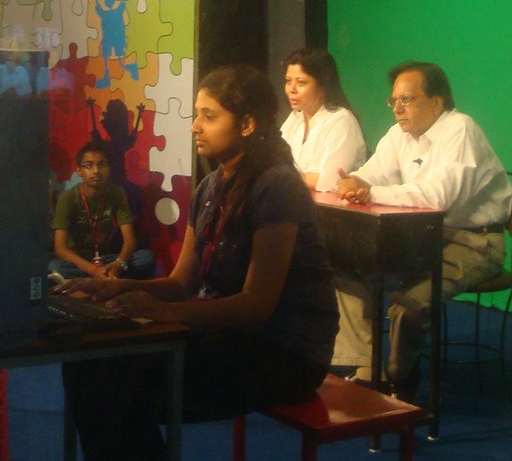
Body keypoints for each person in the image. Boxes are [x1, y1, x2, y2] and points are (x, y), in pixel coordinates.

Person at [58, 64, 337, 459]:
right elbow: (180, 283)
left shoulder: (277, 185)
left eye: (209, 116)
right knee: (87, 364)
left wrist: (164, 312)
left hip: (284, 353)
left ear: (247, 124)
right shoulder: (210, 187)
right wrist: (114, 285)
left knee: (119, 381)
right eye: (196, 115)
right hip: (229, 335)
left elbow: (257, 305)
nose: (195, 126)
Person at [332, 61, 512, 397]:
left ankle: (400, 385)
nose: (397, 108)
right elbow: (370, 174)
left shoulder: (460, 130)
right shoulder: (398, 134)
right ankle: (369, 368)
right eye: (394, 100)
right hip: (423, 238)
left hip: (475, 242)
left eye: (407, 99)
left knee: (408, 304)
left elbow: (438, 198)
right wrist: (354, 181)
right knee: (345, 269)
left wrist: (371, 192)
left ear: (437, 101)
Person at [51, 143, 155, 280]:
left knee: (146, 257)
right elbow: (60, 248)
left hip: (104, 258)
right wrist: (93, 270)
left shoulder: (116, 193)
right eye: (89, 166)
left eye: (101, 165)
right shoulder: (68, 197)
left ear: (109, 169)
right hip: (76, 261)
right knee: (55, 267)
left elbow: (130, 240)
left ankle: (105, 275)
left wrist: (119, 264)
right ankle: (104, 277)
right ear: (79, 171)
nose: (96, 171)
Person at [279, 48, 367, 192]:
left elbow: (330, 181)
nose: (292, 89)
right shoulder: (294, 118)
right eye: (288, 81)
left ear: (323, 86)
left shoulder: (342, 120)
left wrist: (285, 177)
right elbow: (274, 165)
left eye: (301, 83)